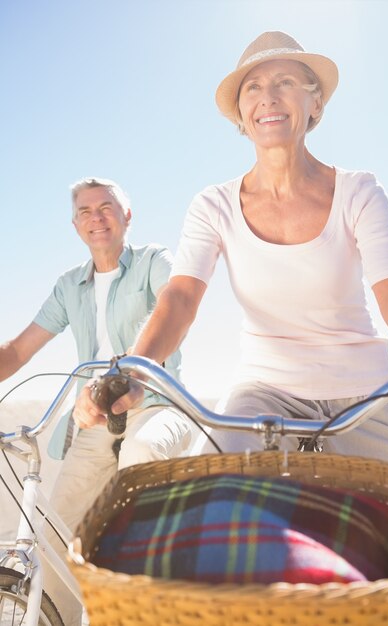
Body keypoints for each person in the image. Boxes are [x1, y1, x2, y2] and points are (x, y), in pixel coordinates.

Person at [76, 31, 388, 475]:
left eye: (285, 83)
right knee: (215, 499)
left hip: (363, 394)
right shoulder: (213, 205)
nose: (268, 98)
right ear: (241, 113)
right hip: (263, 391)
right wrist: (133, 372)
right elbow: (180, 299)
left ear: (314, 104)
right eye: (253, 88)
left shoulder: (360, 192)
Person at [0, 177, 190, 625]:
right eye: (85, 211)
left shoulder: (153, 262)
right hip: (94, 417)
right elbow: (17, 351)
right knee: (58, 529)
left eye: (106, 207)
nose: (96, 218)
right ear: (75, 225)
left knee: (138, 466)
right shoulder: (70, 286)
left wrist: (131, 375)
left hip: (156, 404)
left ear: (127, 216)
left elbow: (173, 306)